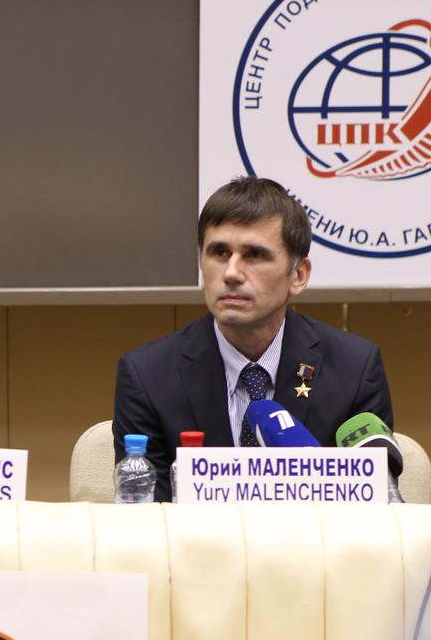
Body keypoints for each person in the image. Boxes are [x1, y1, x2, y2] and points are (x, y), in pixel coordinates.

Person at [113, 176, 393, 501]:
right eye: (219, 252)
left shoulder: (355, 370)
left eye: (254, 255)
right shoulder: (147, 375)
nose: (231, 272)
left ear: (298, 275)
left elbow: (371, 515)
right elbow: (148, 521)